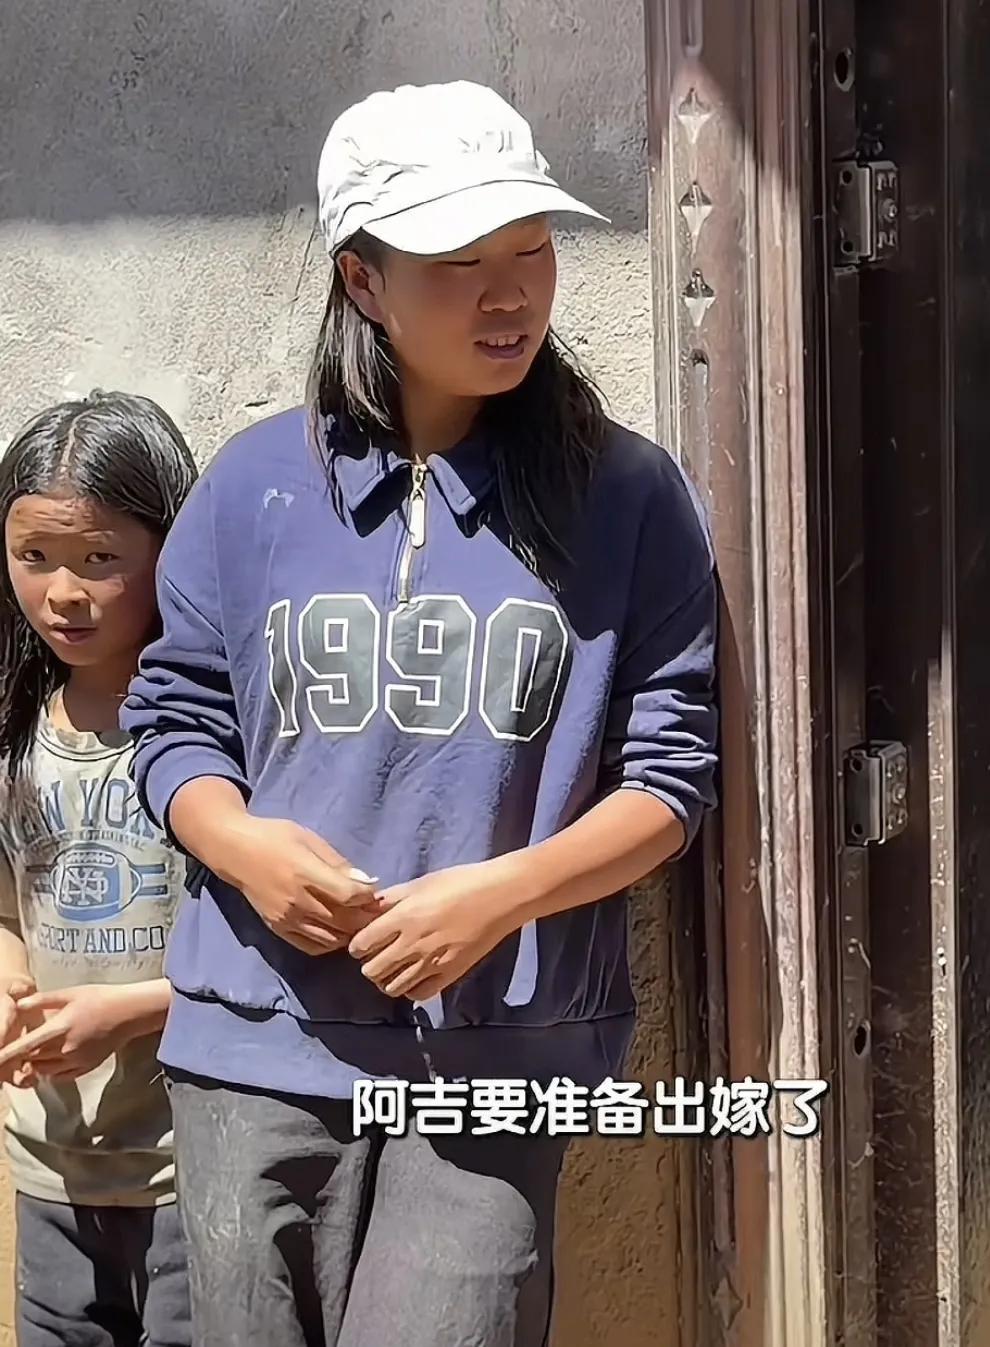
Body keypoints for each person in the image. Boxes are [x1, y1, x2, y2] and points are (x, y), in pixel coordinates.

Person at [121, 80, 719, 1347]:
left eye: (532, 250)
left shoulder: (627, 496)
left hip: (496, 1058)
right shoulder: (252, 487)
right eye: (458, 263)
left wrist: (499, 898)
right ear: (363, 280)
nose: (510, 296)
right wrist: (243, 847)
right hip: (256, 1044)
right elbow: (173, 717)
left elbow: (670, 782)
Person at [0, 390, 197, 1346]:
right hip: (51, 1164)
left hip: (189, 1167)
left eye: (100, 559)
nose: (63, 593)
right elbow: (9, 910)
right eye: (34, 556)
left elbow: (261, 947)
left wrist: (128, 1010)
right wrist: (10, 978)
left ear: (171, 551)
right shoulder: (14, 739)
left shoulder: (207, 743)